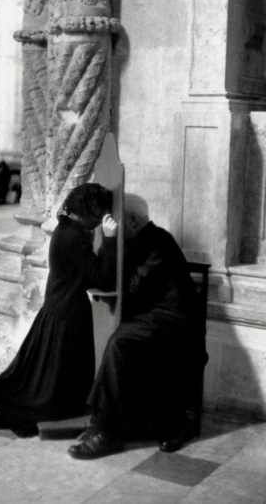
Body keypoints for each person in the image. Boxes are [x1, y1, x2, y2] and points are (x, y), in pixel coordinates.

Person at [0, 183, 118, 436]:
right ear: (85, 211)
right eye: (97, 216)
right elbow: (102, 278)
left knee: (37, 378)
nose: (98, 222)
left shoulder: (65, 228)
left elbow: (82, 273)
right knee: (52, 395)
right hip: (68, 316)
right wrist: (109, 241)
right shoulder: (75, 237)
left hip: (56, 310)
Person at [68, 194, 208, 459]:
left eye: (117, 221)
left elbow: (132, 290)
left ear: (132, 221)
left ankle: (106, 433)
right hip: (156, 316)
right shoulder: (140, 240)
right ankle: (103, 423)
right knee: (115, 338)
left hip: (175, 323)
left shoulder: (158, 242)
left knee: (120, 343)